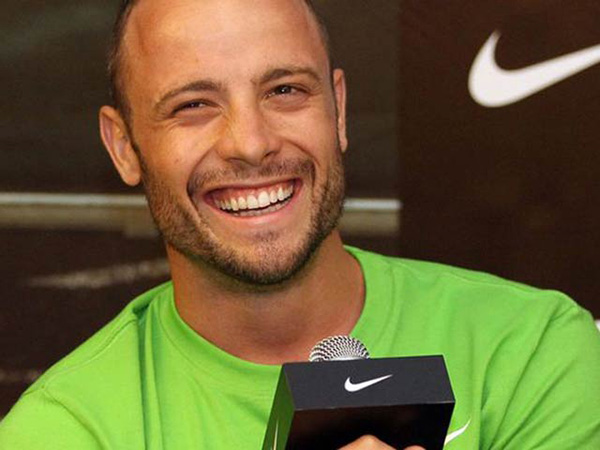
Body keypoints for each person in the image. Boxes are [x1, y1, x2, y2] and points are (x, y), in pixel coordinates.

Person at [1, 0, 599, 448]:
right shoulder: (66, 430)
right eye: (193, 105)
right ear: (123, 146)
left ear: (338, 109)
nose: (250, 143)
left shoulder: (529, 351)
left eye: (285, 89)